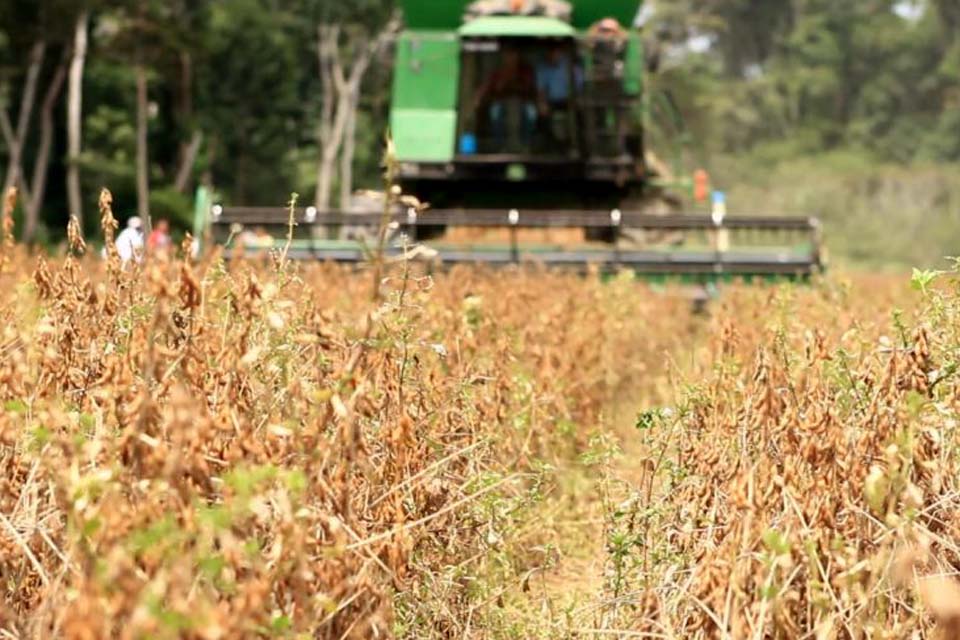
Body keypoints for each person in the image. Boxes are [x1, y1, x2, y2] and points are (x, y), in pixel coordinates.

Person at [474, 48, 538, 150]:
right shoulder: (498, 71)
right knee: (495, 112)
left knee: (531, 113)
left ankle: (526, 143)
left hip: (522, 100)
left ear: (517, 56)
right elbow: (486, 86)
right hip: (502, 101)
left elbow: (529, 87)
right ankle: (500, 144)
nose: (510, 59)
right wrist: (478, 98)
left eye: (513, 55)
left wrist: (515, 85)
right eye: (508, 56)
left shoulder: (526, 70)